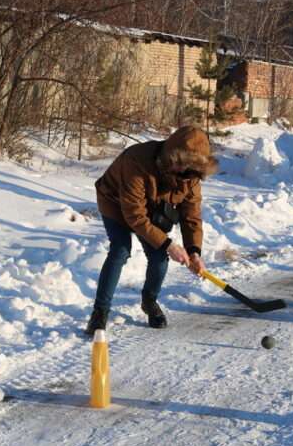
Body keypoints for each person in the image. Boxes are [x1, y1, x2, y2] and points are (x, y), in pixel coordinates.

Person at [86, 126, 218, 334]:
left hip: (151, 207)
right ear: (174, 160)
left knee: (159, 256)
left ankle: (149, 302)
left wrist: (194, 251)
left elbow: (191, 216)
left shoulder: (192, 178)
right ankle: (99, 313)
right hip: (114, 200)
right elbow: (135, 215)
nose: (187, 177)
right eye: (184, 171)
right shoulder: (137, 162)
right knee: (120, 250)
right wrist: (168, 243)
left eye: (192, 173)